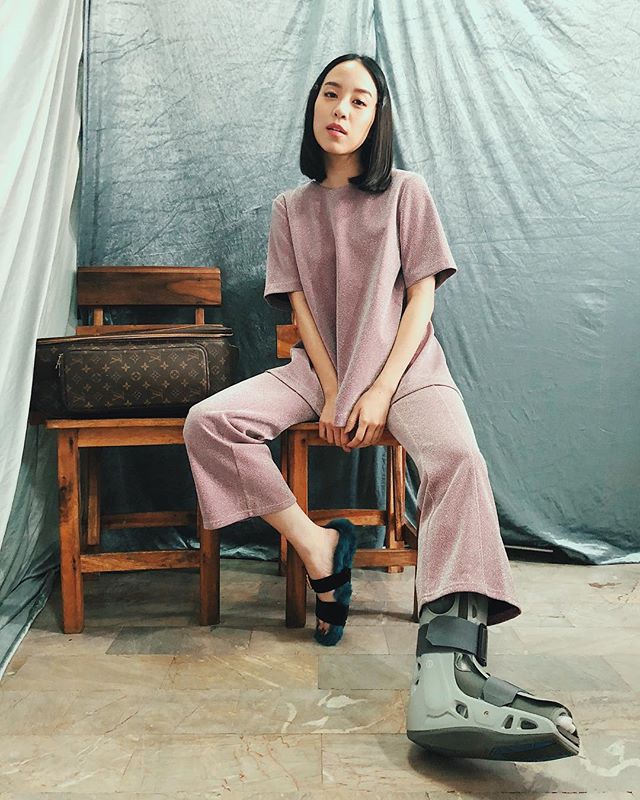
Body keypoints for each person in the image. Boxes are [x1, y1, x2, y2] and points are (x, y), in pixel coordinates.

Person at [183, 53, 580, 762]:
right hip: (321, 372)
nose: (341, 109)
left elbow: (422, 297)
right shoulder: (289, 209)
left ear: (377, 118)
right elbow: (302, 311)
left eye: (359, 100)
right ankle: (317, 546)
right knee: (209, 422)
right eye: (330, 94)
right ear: (314, 106)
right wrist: (336, 387)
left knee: (458, 460)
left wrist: (377, 389)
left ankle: (450, 660)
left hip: (407, 370)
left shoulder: (406, 192)